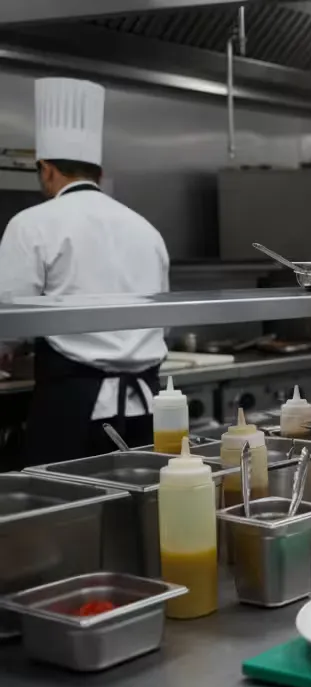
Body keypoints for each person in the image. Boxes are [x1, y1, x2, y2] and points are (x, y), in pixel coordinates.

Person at [0, 78, 169, 466]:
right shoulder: (145, 227)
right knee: (143, 512)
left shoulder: (31, 223)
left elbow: (9, 319)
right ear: (98, 170)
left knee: (68, 518)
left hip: (73, 409)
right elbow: (164, 320)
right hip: (148, 406)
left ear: (45, 170)